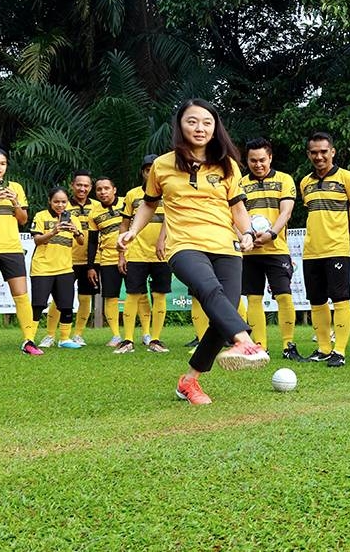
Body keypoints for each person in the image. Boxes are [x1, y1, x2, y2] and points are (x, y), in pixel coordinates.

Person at [119, 98, 269, 405]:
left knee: (223, 312)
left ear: (215, 129)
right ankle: (244, 342)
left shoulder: (227, 165)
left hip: (225, 246)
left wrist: (247, 233)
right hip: (183, 245)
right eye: (192, 121)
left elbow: (237, 207)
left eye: (207, 122)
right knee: (207, 288)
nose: (200, 128)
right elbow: (148, 204)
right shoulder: (162, 165)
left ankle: (189, 381)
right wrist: (132, 231)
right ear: (180, 125)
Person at [299, 132, 350, 367]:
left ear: (332, 152)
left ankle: (339, 351)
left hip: (337, 248)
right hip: (311, 250)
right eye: (314, 153)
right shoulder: (305, 182)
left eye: (323, 152)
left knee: (340, 298)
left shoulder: (346, 178)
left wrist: (346, 239)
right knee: (316, 300)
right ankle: (324, 348)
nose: (319, 157)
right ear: (309, 154)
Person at [240, 137, 302, 361]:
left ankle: (288, 345)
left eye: (262, 160)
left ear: (271, 158)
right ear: (247, 160)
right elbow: (233, 215)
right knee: (253, 298)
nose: (258, 165)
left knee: (284, 296)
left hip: (276, 249)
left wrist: (271, 235)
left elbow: (286, 212)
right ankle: (260, 347)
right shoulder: (239, 184)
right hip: (250, 251)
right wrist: (245, 236)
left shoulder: (285, 180)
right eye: (253, 160)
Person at [0, 146, 38, 357]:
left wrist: (15, 201)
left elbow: (23, 220)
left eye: (2, 163)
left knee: (21, 294)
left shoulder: (16, 187)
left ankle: (29, 340)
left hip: (12, 248)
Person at [119, 155, 172, 353]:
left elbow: (172, 219)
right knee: (132, 295)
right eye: (147, 169)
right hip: (136, 253)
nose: (150, 173)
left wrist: (161, 240)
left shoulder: (168, 192)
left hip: (162, 253)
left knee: (159, 295)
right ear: (143, 172)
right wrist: (121, 253)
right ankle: (127, 340)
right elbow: (124, 225)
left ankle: (155, 340)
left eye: (154, 169)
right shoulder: (132, 195)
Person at [41, 171, 96, 347]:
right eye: (79, 184)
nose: (82, 188)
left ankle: (78, 334)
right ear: (72, 185)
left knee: (85, 298)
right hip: (65, 261)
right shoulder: (62, 204)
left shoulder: (96, 206)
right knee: (59, 300)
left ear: (91, 187)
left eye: (86, 185)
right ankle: (50, 335)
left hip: (89, 261)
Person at [29, 187, 85, 348]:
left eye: (63, 202)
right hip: (42, 268)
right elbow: (37, 240)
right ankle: (29, 339)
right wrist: (54, 231)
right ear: (49, 201)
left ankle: (64, 339)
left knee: (66, 305)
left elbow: (81, 242)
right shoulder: (41, 216)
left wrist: (76, 232)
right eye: (56, 201)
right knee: (38, 305)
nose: (60, 205)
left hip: (65, 268)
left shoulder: (73, 218)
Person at [87, 177, 127, 349]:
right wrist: (91, 266)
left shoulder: (128, 202)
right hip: (108, 259)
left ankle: (147, 334)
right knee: (110, 297)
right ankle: (116, 335)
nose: (103, 192)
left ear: (114, 189)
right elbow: (93, 242)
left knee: (138, 295)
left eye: (106, 188)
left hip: (132, 256)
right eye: (99, 190)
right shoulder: (94, 213)